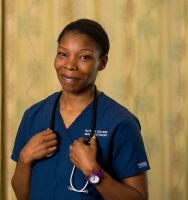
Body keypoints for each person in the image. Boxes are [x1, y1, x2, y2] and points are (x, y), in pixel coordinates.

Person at [11, 18, 150, 200]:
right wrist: (24, 158)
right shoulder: (34, 115)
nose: (70, 65)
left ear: (102, 63)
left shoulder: (121, 122)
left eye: (84, 57)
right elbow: (23, 196)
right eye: (62, 54)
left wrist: (93, 172)